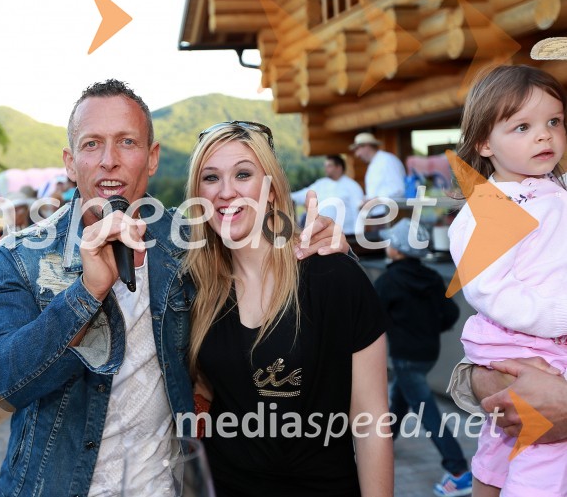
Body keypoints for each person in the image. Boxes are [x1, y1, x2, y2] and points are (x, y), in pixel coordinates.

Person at [0, 80, 350, 496]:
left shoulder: (189, 240)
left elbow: (255, 238)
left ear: (152, 158)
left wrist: (318, 239)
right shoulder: (19, 255)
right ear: (70, 162)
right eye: (91, 145)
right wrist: (86, 294)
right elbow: (1, 386)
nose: (109, 161)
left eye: (127, 142)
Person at [185, 121, 392, 496]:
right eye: (210, 178)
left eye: (243, 174)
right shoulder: (197, 288)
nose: (226, 192)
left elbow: (371, 422)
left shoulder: (332, 276)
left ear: (272, 187)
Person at [446, 65, 567, 497]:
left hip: (533, 341)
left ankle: (490, 483)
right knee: (547, 445)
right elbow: (487, 287)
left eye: (554, 121)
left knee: (503, 440)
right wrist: (558, 316)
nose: (544, 135)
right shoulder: (491, 208)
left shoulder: (547, 189)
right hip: (526, 343)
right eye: (522, 126)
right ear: (483, 142)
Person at [373, 218, 469, 496]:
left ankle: (458, 469)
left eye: (391, 241)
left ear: (398, 249)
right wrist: (429, 328)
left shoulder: (389, 280)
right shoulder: (430, 277)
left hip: (405, 356)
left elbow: (374, 317)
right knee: (402, 398)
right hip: (428, 353)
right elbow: (450, 313)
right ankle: (381, 444)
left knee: (427, 412)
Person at [291, 154, 364, 235]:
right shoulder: (320, 184)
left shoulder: (352, 186)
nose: (326, 169)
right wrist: (284, 195)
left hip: (346, 234)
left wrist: (358, 234)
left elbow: (358, 210)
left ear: (338, 167)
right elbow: (300, 196)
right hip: (323, 234)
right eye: (325, 166)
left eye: (329, 166)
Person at [350, 132, 406, 217]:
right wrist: (366, 200)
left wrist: (373, 200)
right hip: (379, 215)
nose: (357, 154)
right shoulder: (374, 163)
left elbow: (398, 189)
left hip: (389, 215)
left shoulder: (387, 160)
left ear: (366, 146)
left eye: (357, 149)